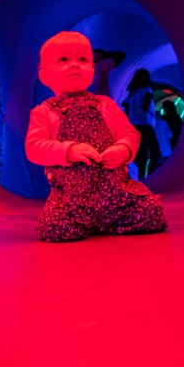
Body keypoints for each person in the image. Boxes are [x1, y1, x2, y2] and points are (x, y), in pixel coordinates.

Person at [25, 32, 168, 243]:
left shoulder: (106, 105)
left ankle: (108, 221)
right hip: (72, 200)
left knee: (153, 213)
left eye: (82, 60)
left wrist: (123, 150)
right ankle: (94, 223)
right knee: (53, 229)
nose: (74, 65)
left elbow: (130, 134)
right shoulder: (44, 112)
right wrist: (68, 151)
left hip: (116, 194)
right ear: (45, 76)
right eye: (64, 60)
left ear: (92, 72)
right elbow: (34, 147)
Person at [122, 68, 162, 179]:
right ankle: (150, 178)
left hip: (135, 125)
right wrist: (143, 108)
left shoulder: (132, 92)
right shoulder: (147, 89)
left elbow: (125, 104)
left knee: (142, 153)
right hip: (146, 123)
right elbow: (147, 101)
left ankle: (141, 178)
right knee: (156, 153)